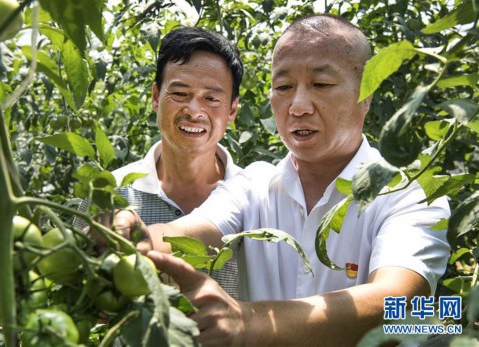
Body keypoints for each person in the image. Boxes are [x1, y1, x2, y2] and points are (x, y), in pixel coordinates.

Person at [115, 14, 451, 346]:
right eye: (284, 87)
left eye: (321, 85)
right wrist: (133, 236)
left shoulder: (409, 197)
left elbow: (398, 303)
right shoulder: (253, 186)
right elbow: (188, 232)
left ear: (366, 93)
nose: (298, 106)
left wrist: (247, 322)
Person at [109, 26, 244, 298]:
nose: (194, 111)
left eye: (211, 99)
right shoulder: (111, 194)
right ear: (156, 97)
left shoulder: (257, 199)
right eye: (180, 94)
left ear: (232, 110)